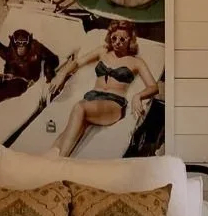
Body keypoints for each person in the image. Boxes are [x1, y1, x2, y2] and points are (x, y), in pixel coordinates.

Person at [45, 20, 159, 157]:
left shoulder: (136, 62)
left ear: (130, 41)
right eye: (114, 38)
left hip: (113, 103)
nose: (117, 42)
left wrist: (138, 96)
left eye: (122, 39)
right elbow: (77, 62)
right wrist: (62, 73)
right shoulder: (102, 51)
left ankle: (59, 162)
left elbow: (154, 86)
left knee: (79, 108)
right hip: (92, 98)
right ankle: (48, 159)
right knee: (70, 130)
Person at [0, 29, 60, 108]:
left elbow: (54, 58)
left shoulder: (35, 46)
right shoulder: (12, 48)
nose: (21, 48)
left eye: (24, 44)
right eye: (18, 44)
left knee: (5, 89)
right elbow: (4, 53)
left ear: (29, 42)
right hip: (9, 76)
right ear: (13, 42)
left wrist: (48, 68)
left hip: (24, 81)